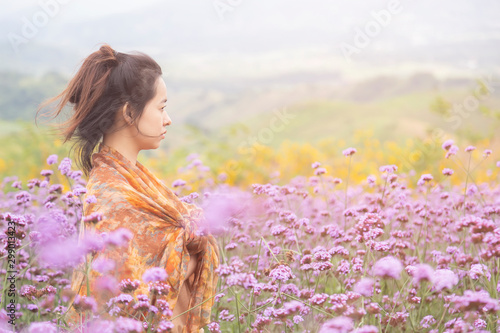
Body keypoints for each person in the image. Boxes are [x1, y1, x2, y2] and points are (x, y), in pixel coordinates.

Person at [36, 44, 220, 333]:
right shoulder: (114, 198)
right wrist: (189, 255)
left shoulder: (133, 180)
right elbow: (125, 299)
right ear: (128, 112)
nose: (168, 118)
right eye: (161, 107)